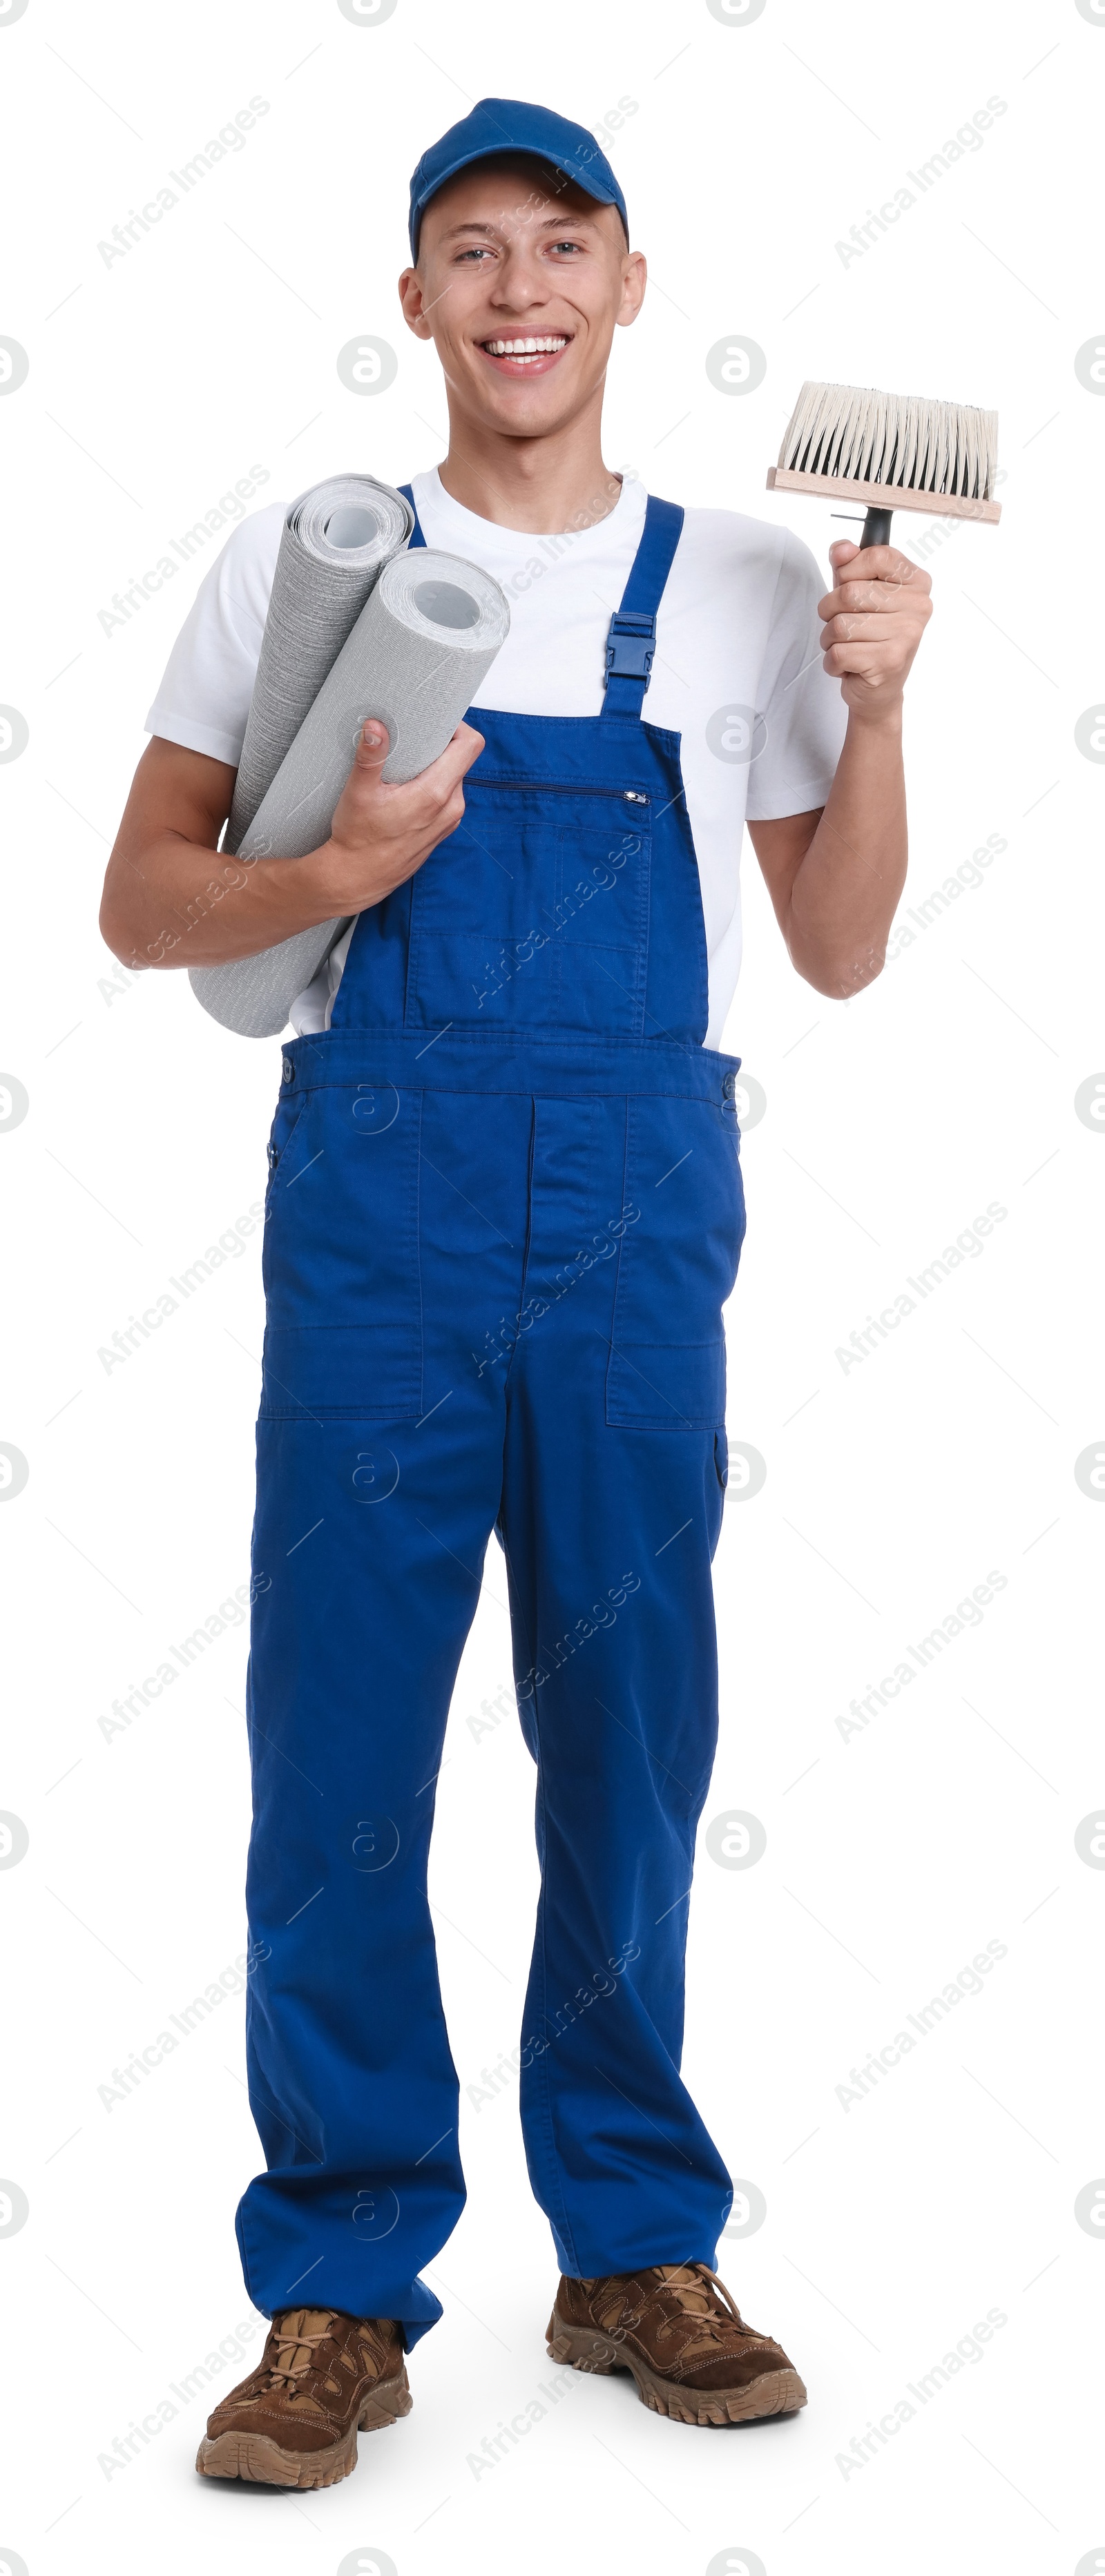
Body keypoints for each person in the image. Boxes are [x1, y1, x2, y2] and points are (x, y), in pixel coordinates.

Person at [102, 97, 932, 2490]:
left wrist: (879, 704)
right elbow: (145, 911)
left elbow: (851, 947)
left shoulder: (761, 579)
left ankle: (630, 2244)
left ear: (631, 285)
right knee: (340, 1752)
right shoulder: (309, 560)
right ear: (417, 304)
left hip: (637, 1231)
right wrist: (342, 858)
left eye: (559, 247)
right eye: (468, 253)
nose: (517, 290)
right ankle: (340, 2281)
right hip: (379, 1214)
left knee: (634, 1738)